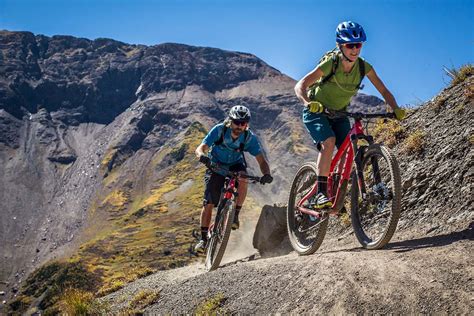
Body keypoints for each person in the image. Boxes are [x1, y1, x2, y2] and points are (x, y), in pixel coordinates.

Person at [294, 21, 406, 209]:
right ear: (340, 45)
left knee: (349, 149)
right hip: (317, 111)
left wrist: (395, 108)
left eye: (358, 44)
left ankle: (337, 188)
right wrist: (308, 103)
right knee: (329, 142)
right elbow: (301, 85)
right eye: (350, 45)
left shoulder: (364, 67)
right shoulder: (332, 63)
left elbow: (384, 91)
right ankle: (320, 194)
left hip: (339, 113)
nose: (355, 49)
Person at [194, 105, 273, 253]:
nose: (240, 126)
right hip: (216, 166)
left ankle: (235, 215)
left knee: (243, 179)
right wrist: (202, 156)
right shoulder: (219, 130)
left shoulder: (249, 137)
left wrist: (266, 174)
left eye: (243, 123)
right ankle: (203, 239)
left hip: (235, 164)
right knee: (209, 202)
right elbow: (201, 148)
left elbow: (261, 161)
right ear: (230, 121)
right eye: (237, 122)